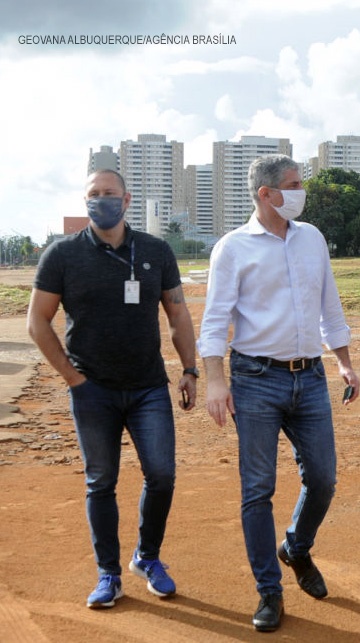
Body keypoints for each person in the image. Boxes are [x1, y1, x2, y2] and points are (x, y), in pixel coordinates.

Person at [198, 154, 360, 633]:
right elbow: (214, 320)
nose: (300, 192)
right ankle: (269, 591)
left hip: (308, 377)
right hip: (254, 379)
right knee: (257, 489)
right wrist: (214, 378)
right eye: (292, 185)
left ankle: (296, 547)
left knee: (324, 479)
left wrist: (345, 362)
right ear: (265, 194)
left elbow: (330, 304)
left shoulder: (311, 239)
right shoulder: (232, 248)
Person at [27, 169, 198, 609]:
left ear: (126, 200)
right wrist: (73, 379)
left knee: (161, 475)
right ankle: (109, 574)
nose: (100, 201)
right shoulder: (61, 255)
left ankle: (147, 557)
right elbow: (37, 321)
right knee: (100, 481)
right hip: (92, 389)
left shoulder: (156, 251)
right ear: (85, 201)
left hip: (148, 388)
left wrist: (190, 369)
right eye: (93, 195)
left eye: (109, 194)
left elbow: (177, 315)